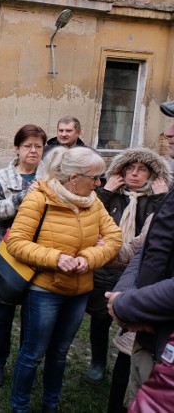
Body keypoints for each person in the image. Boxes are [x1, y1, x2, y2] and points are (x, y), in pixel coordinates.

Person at [7, 146, 122, 413]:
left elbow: (115, 238)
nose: (99, 184)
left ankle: (51, 404)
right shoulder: (40, 198)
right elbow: (16, 242)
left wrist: (89, 257)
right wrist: (55, 258)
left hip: (79, 293)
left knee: (59, 354)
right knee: (33, 353)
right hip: (44, 292)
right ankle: (19, 406)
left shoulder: (94, 202)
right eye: (94, 178)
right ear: (73, 178)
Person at [85, 148, 171, 384]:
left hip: (138, 270)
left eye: (141, 169)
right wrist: (104, 191)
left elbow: (161, 232)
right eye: (129, 169)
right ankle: (98, 361)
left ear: (153, 175)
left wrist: (160, 198)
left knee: (133, 321)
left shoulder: (159, 198)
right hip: (106, 264)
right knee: (101, 316)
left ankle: (128, 364)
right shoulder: (112, 194)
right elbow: (88, 215)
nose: (134, 174)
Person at [0, 124, 47, 387]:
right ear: (17, 148)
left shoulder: (51, 177)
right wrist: (23, 197)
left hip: (40, 257)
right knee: (2, 317)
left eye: (38, 146)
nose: (33, 151)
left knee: (32, 320)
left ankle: (26, 368)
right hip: (8, 257)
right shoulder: (3, 177)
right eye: (27, 146)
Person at [106, 183, 174, 408]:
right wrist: (122, 294)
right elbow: (146, 250)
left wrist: (126, 305)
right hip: (145, 334)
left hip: (164, 337)